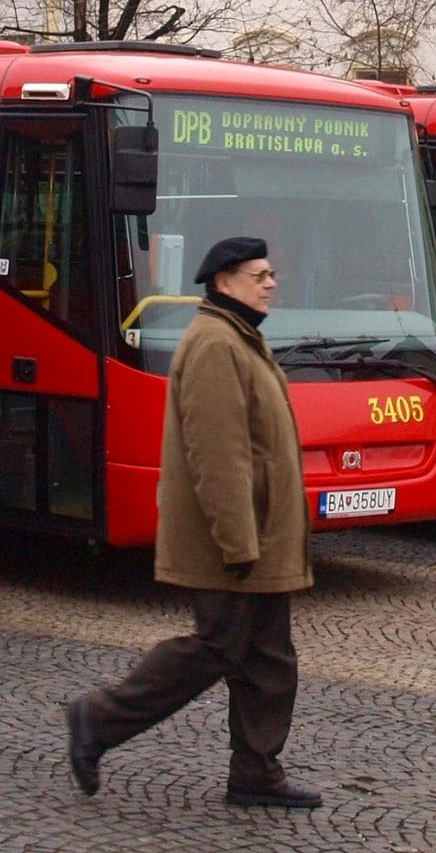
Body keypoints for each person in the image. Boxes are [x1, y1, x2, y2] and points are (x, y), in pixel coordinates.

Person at [65, 236, 321, 809]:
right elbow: (218, 454)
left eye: (271, 272)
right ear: (225, 282)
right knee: (216, 647)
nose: (271, 282)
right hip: (234, 542)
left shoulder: (240, 338)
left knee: (269, 659)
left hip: (262, 538)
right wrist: (237, 542)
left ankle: (256, 772)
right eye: (260, 274)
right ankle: (97, 719)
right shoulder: (214, 345)